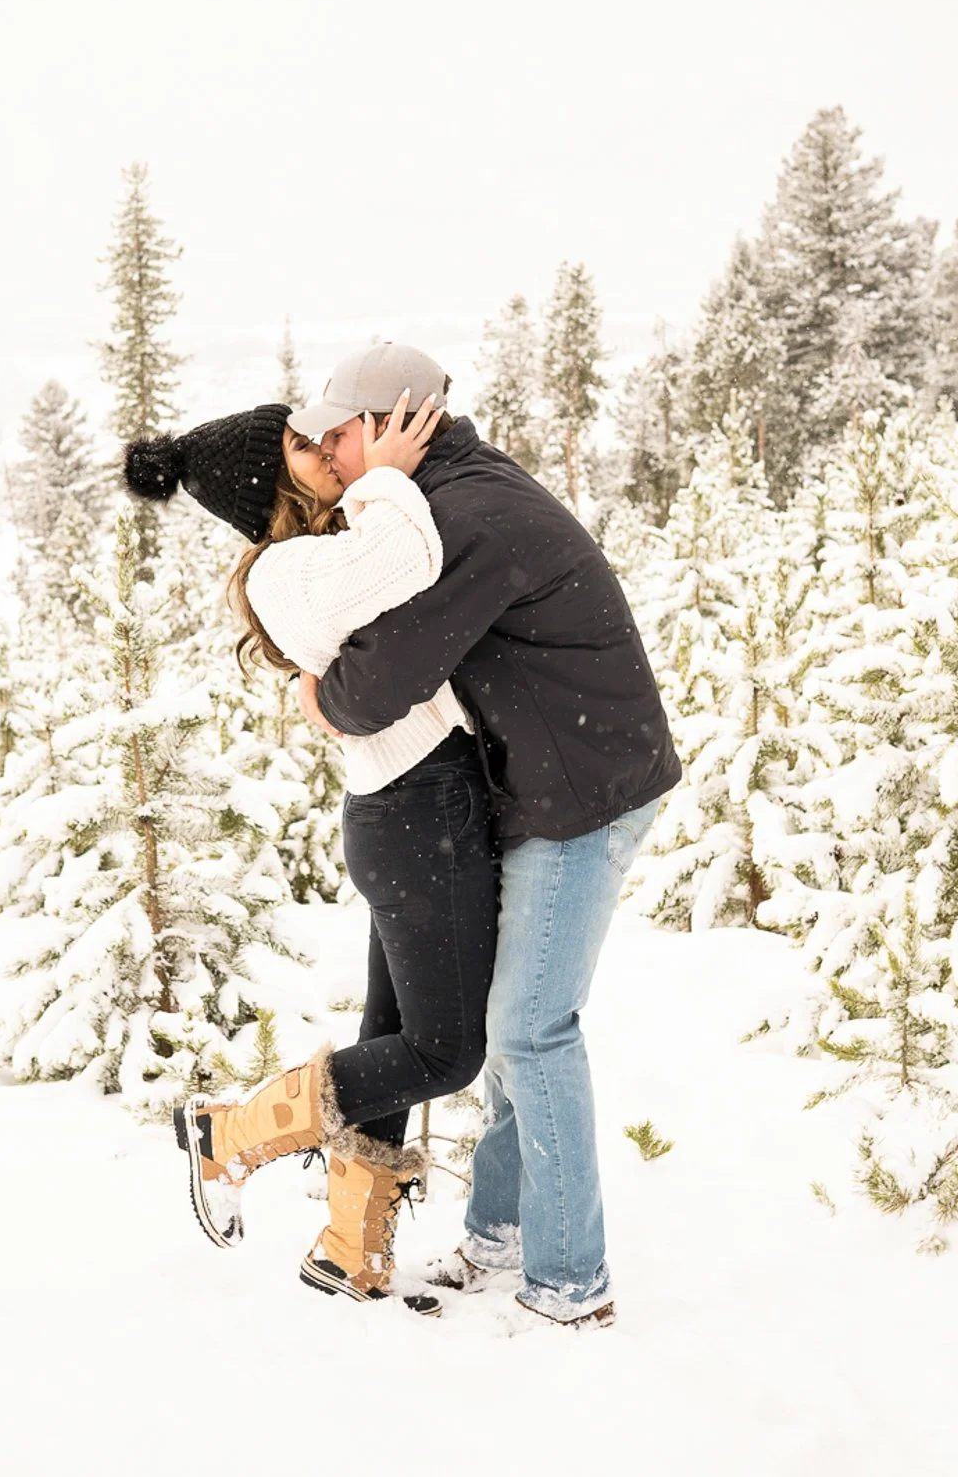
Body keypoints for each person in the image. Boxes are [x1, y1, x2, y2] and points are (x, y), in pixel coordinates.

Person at [290, 343, 680, 1328]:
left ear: (388, 425)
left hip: (582, 793)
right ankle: (502, 1238)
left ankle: (570, 1285)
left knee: (529, 1030)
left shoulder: (467, 520)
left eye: (340, 434)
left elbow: (374, 687)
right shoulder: (452, 495)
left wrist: (319, 694)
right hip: (546, 780)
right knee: (512, 1027)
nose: (331, 456)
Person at [123, 391, 493, 1317]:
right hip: (417, 813)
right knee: (446, 1052)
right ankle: (230, 1132)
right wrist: (387, 472)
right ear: (266, 480)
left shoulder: (318, 554)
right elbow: (409, 551)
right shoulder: (284, 571)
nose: (326, 448)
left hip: (415, 809)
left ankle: (349, 1249)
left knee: (396, 1040)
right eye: (299, 444)